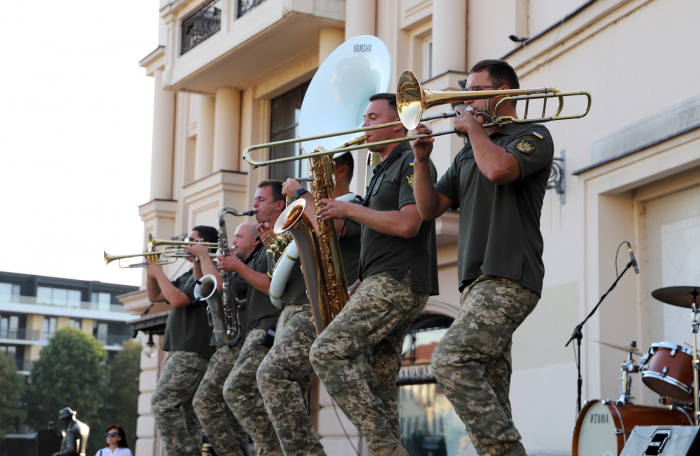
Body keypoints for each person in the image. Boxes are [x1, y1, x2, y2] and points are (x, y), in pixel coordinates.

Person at [411, 59, 554, 456]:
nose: (464, 101)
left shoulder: (533, 133)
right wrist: (421, 160)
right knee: (491, 388)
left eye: (475, 92)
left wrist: (472, 127)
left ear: (502, 93)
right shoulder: (466, 154)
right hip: (476, 282)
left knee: (451, 360)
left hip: (511, 274)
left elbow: (499, 170)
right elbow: (428, 208)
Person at [309, 93, 439, 456]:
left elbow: (408, 224)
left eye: (371, 118)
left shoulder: (410, 163)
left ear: (397, 123)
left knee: (327, 353)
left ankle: (387, 448)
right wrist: (359, 280)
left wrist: (349, 212)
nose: (363, 126)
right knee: (378, 384)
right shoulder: (381, 169)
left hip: (398, 280)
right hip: (381, 279)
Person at [252, 152, 362, 456]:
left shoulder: (354, 203)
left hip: (317, 306)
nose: (312, 180)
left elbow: (328, 228)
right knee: (288, 387)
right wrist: (271, 245)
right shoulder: (316, 204)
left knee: (271, 375)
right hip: (293, 307)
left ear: (338, 171)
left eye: (318, 172)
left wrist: (302, 194)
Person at [219, 180, 286, 456]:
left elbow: (274, 285)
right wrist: (246, 303)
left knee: (235, 389)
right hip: (257, 326)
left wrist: (235, 266)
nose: (254, 203)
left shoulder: (279, 236)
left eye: (261, 199)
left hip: (268, 328)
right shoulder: (266, 241)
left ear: (279, 204)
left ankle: (272, 448)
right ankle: (266, 447)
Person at [147, 226, 217, 456]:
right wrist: (151, 271)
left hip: (192, 350)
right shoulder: (188, 275)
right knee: (186, 411)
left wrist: (159, 273)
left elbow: (177, 300)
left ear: (205, 244)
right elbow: (155, 296)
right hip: (181, 349)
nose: (185, 244)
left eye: (191, 240)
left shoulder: (207, 273)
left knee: (162, 402)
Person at [191, 223, 259, 456]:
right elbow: (203, 286)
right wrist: (198, 261)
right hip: (233, 339)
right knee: (227, 405)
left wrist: (203, 256)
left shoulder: (250, 264)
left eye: (239, 236)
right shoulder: (241, 266)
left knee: (204, 401)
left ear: (255, 242)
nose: (234, 240)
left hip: (240, 339)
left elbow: (219, 284)